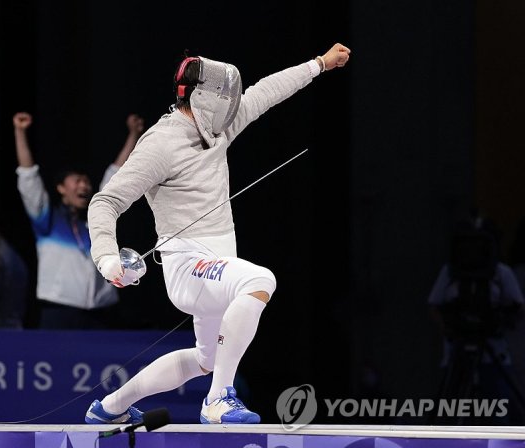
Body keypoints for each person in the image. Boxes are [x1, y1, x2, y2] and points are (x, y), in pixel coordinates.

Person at [84, 44, 351, 424]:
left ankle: (109, 407)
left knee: (205, 359)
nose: (232, 107)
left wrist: (319, 64)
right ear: (200, 97)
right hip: (187, 265)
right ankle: (218, 401)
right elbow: (105, 201)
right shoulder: (161, 144)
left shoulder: (218, 126)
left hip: (217, 265)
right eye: (224, 99)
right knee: (260, 280)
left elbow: (266, 92)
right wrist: (108, 259)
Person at [13, 111, 144, 329]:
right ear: (61, 188)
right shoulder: (47, 220)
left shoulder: (96, 220)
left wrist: (134, 135)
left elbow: (116, 177)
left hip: (102, 315)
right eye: (77, 181)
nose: (84, 186)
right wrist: (19, 131)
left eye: (86, 181)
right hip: (59, 314)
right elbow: (28, 178)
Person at [428, 213, 525, 424]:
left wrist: (501, 320)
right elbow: (434, 304)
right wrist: (448, 327)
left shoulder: (501, 273)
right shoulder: (450, 272)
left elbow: (518, 306)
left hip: (494, 352)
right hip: (456, 353)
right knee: (448, 413)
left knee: (499, 412)